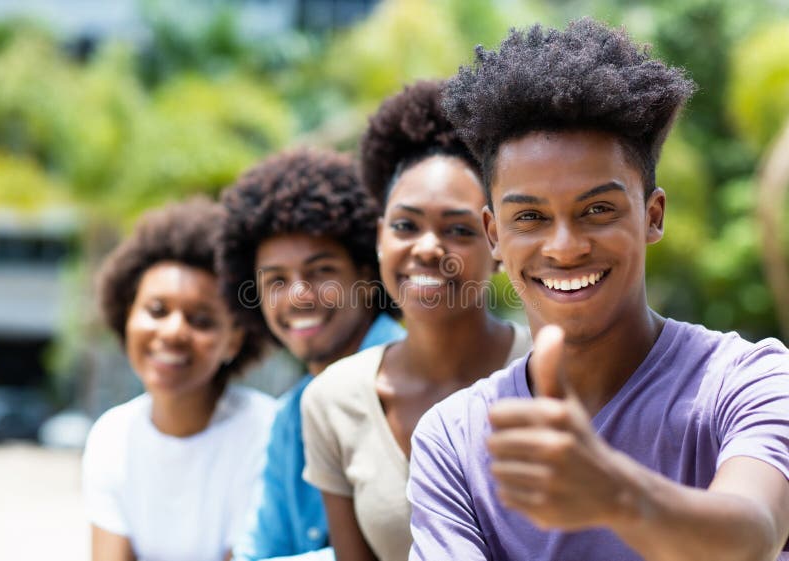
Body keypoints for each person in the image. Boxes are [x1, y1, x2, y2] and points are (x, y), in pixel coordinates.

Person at [407, 18, 789, 561]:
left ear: (652, 215)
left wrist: (615, 494)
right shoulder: (453, 440)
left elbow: (756, 533)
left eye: (597, 210)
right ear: (494, 236)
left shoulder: (747, 383)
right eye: (531, 217)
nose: (564, 247)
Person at [300, 80, 532, 561]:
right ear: (381, 237)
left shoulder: (555, 370)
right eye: (406, 226)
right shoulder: (332, 400)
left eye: (458, 229)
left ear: (497, 242)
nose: (427, 248)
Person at [218, 148, 406, 561]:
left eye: (321, 272)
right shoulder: (291, 415)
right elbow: (261, 551)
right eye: (276, 281)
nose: (298, 296)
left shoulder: (416, 378)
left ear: (367, 276)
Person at [83, 197, 277, 561]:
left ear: (234, 338)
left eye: (201, 320)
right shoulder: (111, 436)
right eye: (157, 310)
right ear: (127, 316)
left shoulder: (264, 430)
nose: (173, 332)